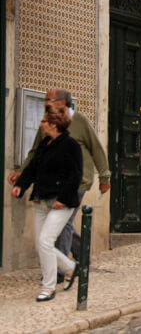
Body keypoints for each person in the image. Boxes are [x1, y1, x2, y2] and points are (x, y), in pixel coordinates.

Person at [8, 88, 110, 279]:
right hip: (52, 183)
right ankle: (78, 257)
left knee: (62, 225)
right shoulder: (47, 123)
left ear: (63, 103)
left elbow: (96, 149)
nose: (46, 103)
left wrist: (105, 177)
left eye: (50, 100)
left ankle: (61, 272)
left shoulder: (80, 121)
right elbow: (36, 151)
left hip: (78, 181)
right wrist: (22, 171)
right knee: (60, 225)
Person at [11, 106, 82, 302]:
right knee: (41, 245)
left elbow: (76, 176)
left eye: (44, 121)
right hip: (41, 200)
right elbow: (33, 168)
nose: (41, 124)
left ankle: (49, 287)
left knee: (45, 242)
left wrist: (63, 199)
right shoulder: (44, 144)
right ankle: (71, 268)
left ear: (53, 124)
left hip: (62, 203)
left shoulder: (70, 145)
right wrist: (21, 185)